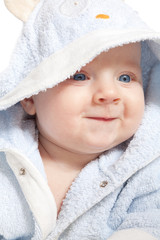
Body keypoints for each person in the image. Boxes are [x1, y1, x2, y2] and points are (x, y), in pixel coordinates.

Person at [0, 0, 160, 239]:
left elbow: (150, 224)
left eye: (126, 78)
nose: (110, 94)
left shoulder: (147, 172)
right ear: (30, 95)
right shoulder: (7, 158)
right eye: (80, 75)